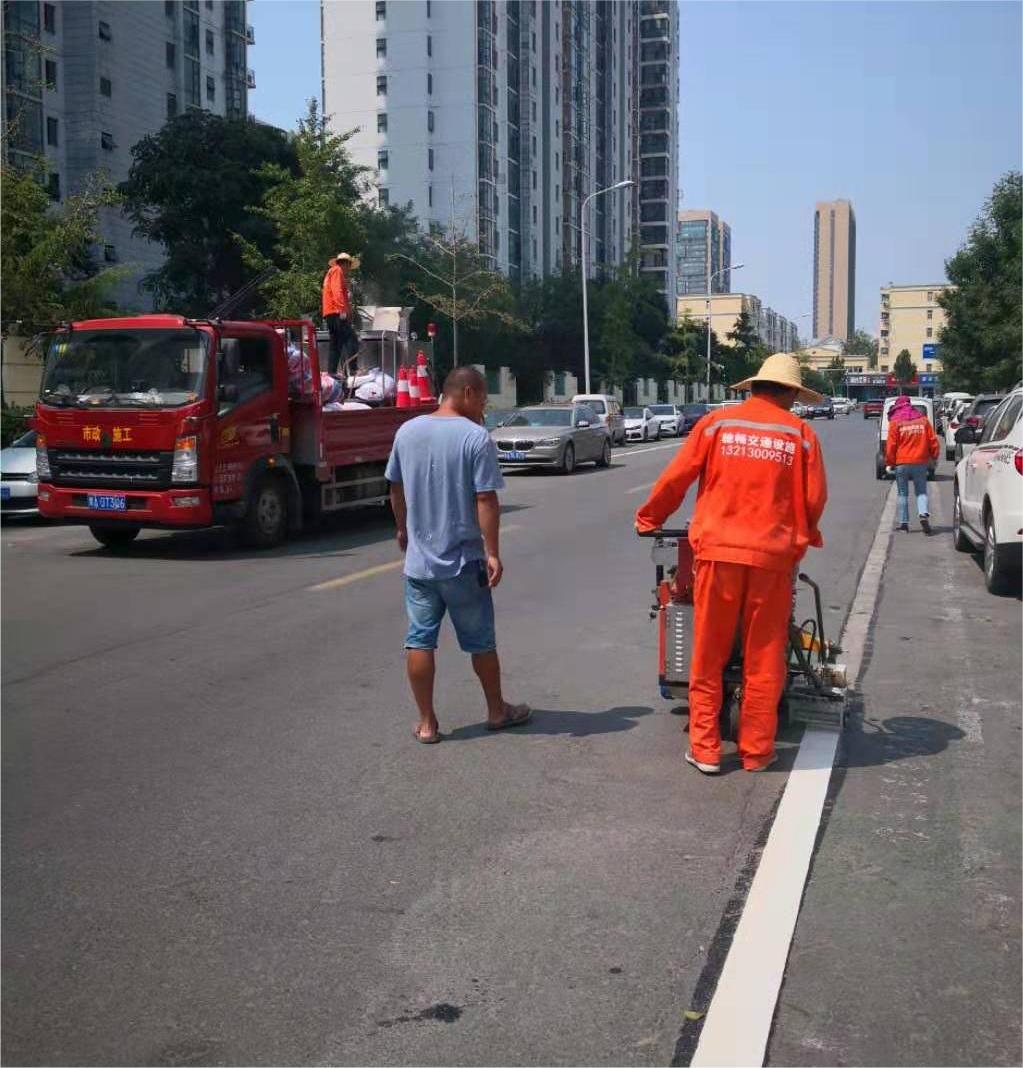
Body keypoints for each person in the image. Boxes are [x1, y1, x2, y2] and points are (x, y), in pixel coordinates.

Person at [635, 353, 828, 775]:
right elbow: (814, 498)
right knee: (764, 657)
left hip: (718, 553)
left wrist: (649, 517)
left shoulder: (717, 424)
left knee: (708, 653)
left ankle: (705, 749)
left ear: (754, 386)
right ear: (791, 393)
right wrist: (805, 534)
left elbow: (677, 476)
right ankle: (757, 752)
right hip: (773, 559)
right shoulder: (801, 434)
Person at [385, 366, 530, 744]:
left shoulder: (407, 431)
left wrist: (402, 529)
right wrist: (493, 552)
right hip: (464, 563)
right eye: (482, 397)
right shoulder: (475, 437)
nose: (484, 406)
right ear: (466, 392)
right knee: (481, 641)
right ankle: (497, 711)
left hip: (419, 564)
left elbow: (396, 490)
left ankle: (427, 723)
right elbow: (485, 498)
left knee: (419, 639)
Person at [885, 395, 939, 534]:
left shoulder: (895, 422)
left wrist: (890, 462)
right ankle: (923, 514)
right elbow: (933, 441)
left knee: (903, 493)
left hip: (901, 462)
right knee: (921, 491)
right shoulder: (923, 420)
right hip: (920, 462)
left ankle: (904, 524)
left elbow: (891, 445)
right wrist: (934, 457)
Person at [321, 252, 359, 373]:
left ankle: (331, 372)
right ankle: (354, 370)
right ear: (346, 264)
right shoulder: (337, 271)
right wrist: (343, 311)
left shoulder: (332, 272)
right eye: (349, 266)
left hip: (330, 313)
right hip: (337, 312)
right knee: (351, 339)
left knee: (336, 344)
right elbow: (337, 292)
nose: (349, 270)